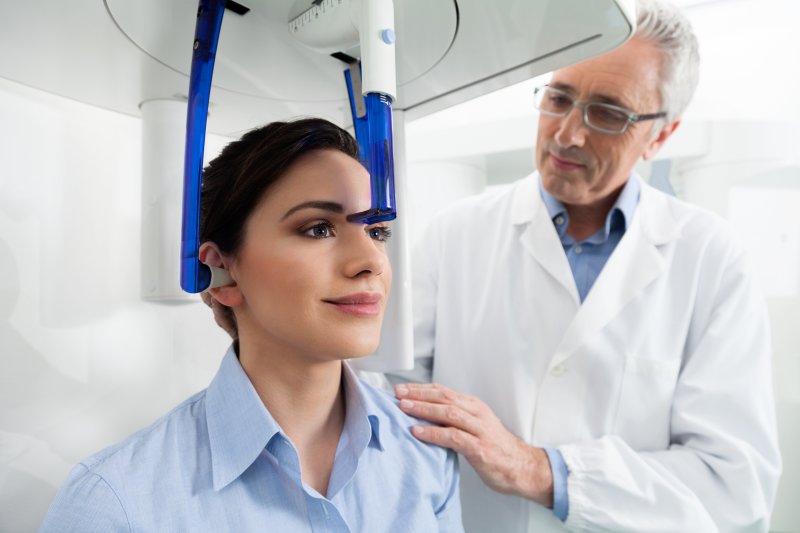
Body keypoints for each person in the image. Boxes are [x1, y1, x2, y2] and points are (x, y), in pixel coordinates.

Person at [392, 0, 782, 531]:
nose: (567, 134)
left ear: (661, 135)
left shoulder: (712, 260)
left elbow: (734, 481)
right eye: (558, 98)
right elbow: (391, 407)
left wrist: (540, 470)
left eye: (607, 113)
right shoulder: (453, 236)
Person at [39, 118, 463, 532]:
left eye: (376, 231)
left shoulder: (428, 453)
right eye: (318, 229)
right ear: (222, 270)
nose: (371, 262)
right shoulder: (113, 504)